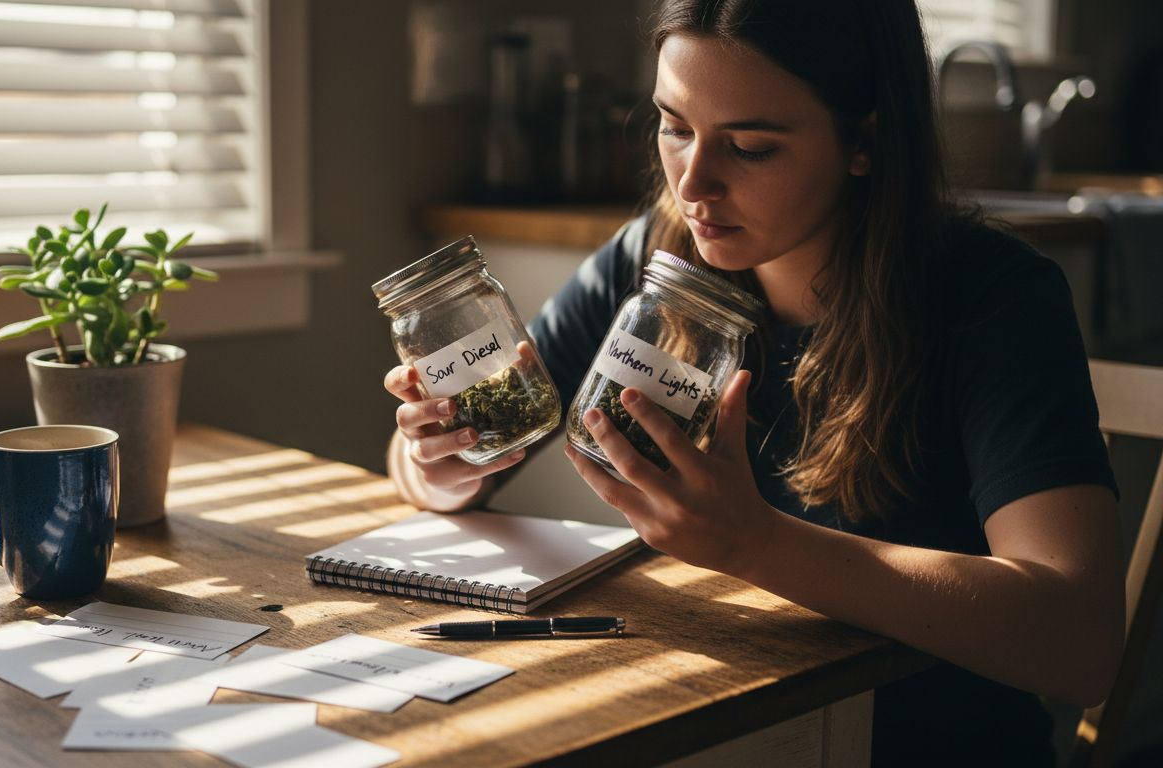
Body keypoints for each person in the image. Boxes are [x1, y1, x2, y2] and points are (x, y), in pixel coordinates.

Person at [383, 1, 1124, 764]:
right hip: (723, 730)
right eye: (674, 126)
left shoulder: (991, 299)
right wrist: (439, 460)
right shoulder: (653, 260)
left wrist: (758, 545)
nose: (692, 184)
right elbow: (446, 465)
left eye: (750, 148)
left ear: (864, 140)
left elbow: (1079, 642)